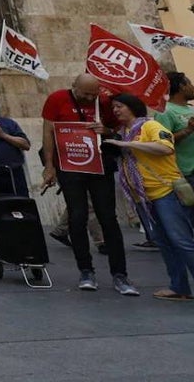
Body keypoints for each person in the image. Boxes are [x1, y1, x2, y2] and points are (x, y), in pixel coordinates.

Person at [40, 73, 136, 294]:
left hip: (99, 165)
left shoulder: (103, 102)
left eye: (94, 94)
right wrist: (49, 166)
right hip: (69, 165)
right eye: (85, 93)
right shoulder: (57, 99)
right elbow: (48, 132)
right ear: (74, 86)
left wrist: (107, 131)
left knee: (108, 218)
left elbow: (121, 130)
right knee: (78, 215)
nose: (90, 97)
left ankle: (120, 274)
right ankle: (86, 270)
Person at [102, 92, 194, 300]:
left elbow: (165, 148)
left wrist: (127, 145)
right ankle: (179, 287)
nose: (116, 110)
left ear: (132, 106)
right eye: (114, 107)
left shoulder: (150, 126)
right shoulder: (123, 131)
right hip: (143, 196)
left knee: (181, 240)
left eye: (120, 106)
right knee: (163, 242)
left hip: (166, 191)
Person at [156, 72, 194, 193]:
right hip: (186, 173)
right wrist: (187, 131)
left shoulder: (191, 108)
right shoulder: (165, 112)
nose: (193, 87)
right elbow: (162, 143)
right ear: (182, 86)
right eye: (190, 84)